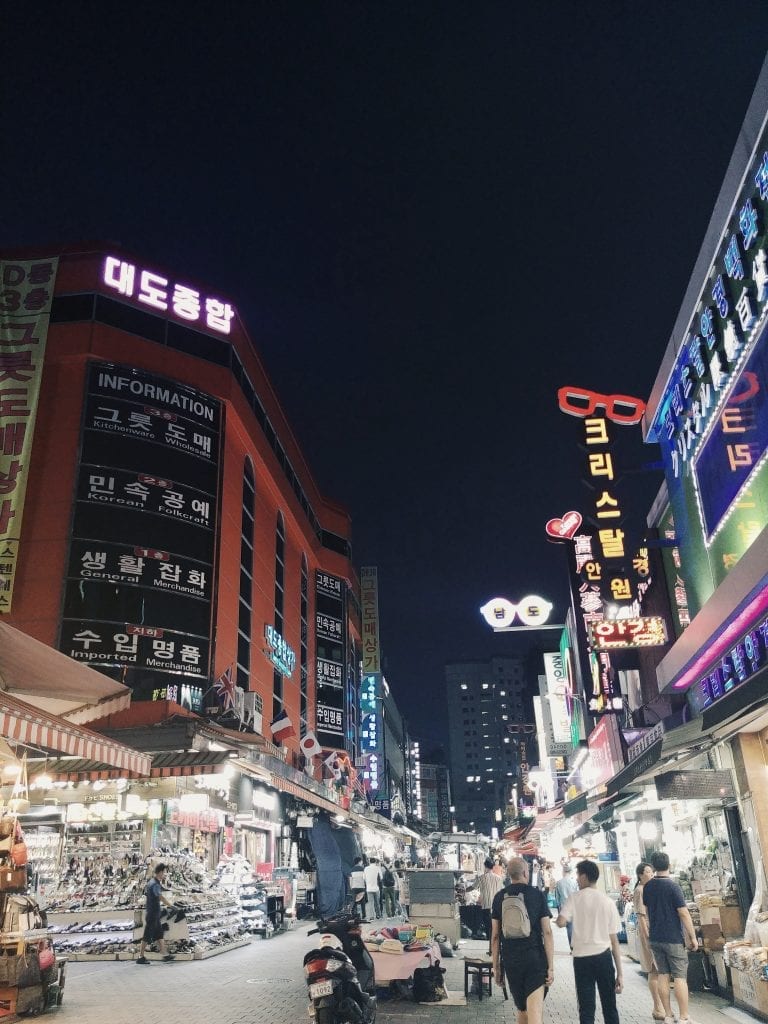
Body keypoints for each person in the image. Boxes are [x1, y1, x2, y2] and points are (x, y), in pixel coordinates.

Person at [555, 859, 622, 1024]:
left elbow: (561, 922)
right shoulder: (607, 902)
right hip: (604, 958)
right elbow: (614, 941)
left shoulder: (574, 898)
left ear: (584, 876)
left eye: (578, 875)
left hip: (581, 959)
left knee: (586, 1007)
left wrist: (559, 919)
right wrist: (620, 973)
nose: (577, 879)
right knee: (609, 1005)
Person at [491, 857, 554, 1024]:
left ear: (508, 875)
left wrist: (496, 967)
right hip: (534, 960)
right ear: (525, 873)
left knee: (522, 1011)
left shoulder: (499, 897)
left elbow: (495, 936)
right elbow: (547, 932)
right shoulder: (537, 895)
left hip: (511, 961)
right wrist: (551, 967)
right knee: (534, 1015)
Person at [642, 852, 698, 1024]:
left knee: (663, 974)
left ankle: (668, 1015)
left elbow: (646, 911)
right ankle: (683, 1016)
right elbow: (683, 912)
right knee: (680, 977)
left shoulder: (648, 887)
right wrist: (693, 937)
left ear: (653, 867)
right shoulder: (673, 887)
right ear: (669, 866)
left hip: (656, 938)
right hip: (673, 938)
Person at [634, 862, 665, 1021]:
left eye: (652, 871)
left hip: (655, 933)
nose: (651, 874)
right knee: (654, 970)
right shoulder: (640, 891)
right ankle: (657, 1006)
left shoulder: (648, 889)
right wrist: (648, 938)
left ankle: (660, 1006)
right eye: (647, 872)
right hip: (649, 935)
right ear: (640, 875)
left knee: (658, 971)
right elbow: (641, 917)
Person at [137, 863, 175, 964]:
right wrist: (170, 905)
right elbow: (160, 897)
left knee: (159, 934)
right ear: (161, 872)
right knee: (147, 935)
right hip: (152, 914)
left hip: (154, 913)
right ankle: (140, 956)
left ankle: (165, 954)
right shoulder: (155, 884)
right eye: (164, 873)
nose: (165, 875)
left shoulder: (151, 882)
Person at [477, 856, 505, 955]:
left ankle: (491, 949)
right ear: (492, 867)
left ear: (485, 866)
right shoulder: (499, 878)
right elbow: (502, 890)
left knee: (489, 930)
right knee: (496, 929)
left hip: (486, 907)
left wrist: (462, 890)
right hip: (497, 907)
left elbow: (472, 887)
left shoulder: (481, 878)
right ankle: (495, 949)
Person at [554, 864, 578, 949]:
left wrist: (559, 909)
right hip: (573, 907)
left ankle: (572, 947)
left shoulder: (559, 883)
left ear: (563, 872)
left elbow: (557, 898)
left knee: (569, 927)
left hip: (564, 907)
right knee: (573, 926)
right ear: (570, 872)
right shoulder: (574, 882)